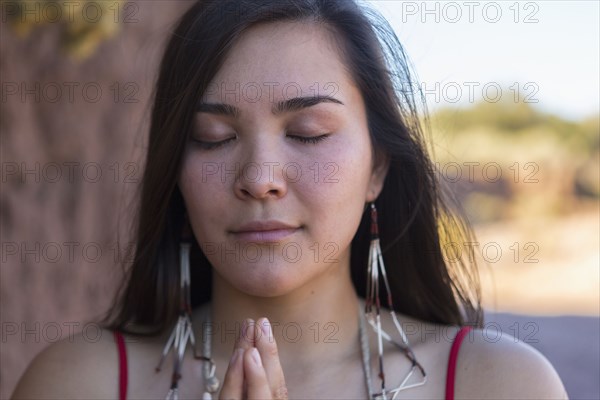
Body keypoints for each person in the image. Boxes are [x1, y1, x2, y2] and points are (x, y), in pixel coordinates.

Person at [11, 1, 568, 399]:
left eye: (307, 133)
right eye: (213, 138)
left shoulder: (499, 383)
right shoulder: (75, 383)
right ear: (175, 173)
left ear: (376, 167)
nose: (260, 178)